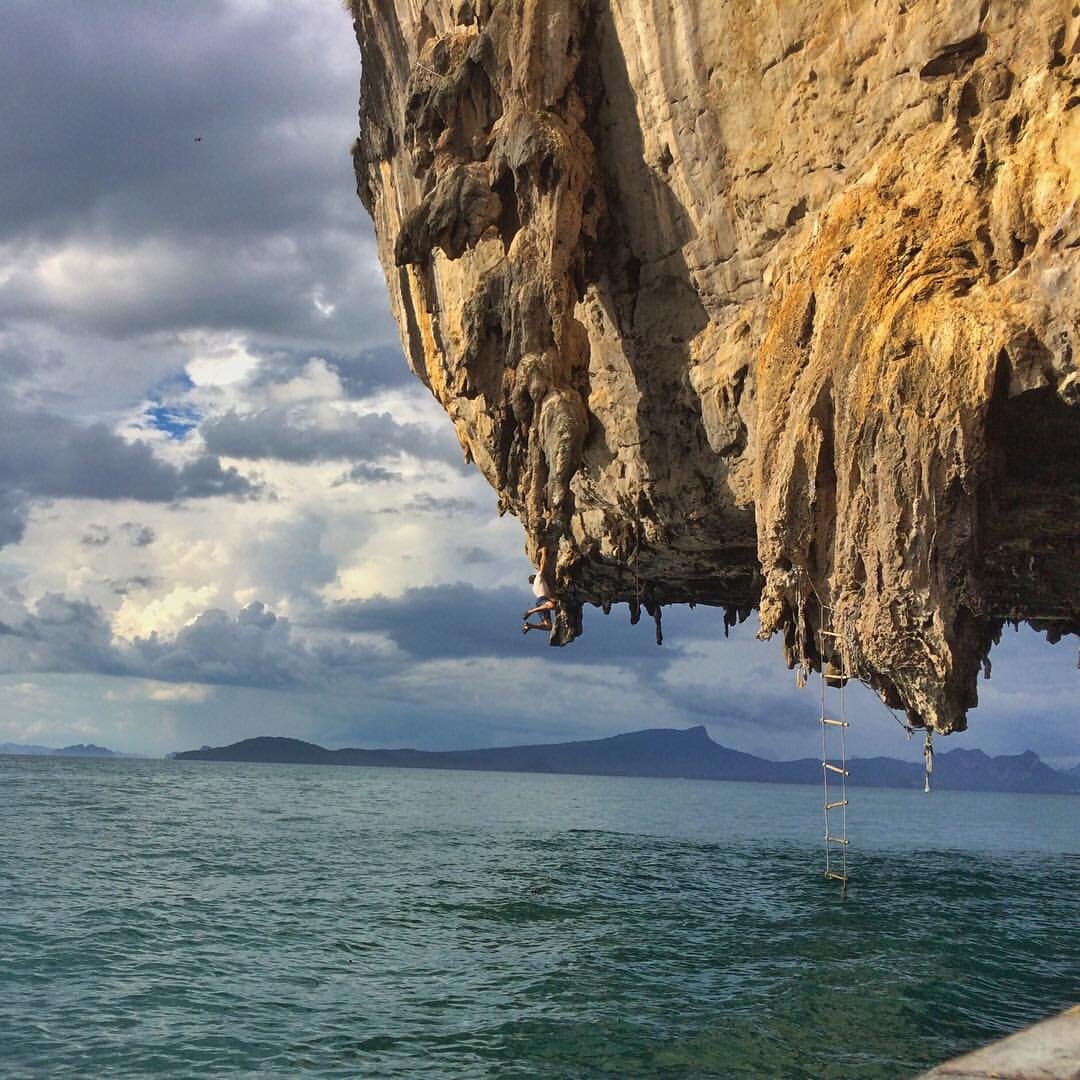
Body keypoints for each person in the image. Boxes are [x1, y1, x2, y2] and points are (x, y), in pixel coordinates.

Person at [522, 547, 556, 634]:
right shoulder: (538, 578)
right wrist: (544, 552)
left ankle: (530, 625)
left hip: (540, 602)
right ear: (535, 577)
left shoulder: (534, 588)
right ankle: (531, 611)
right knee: (552, 605)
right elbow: (542, 564)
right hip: (542, 600)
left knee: (548, 627)